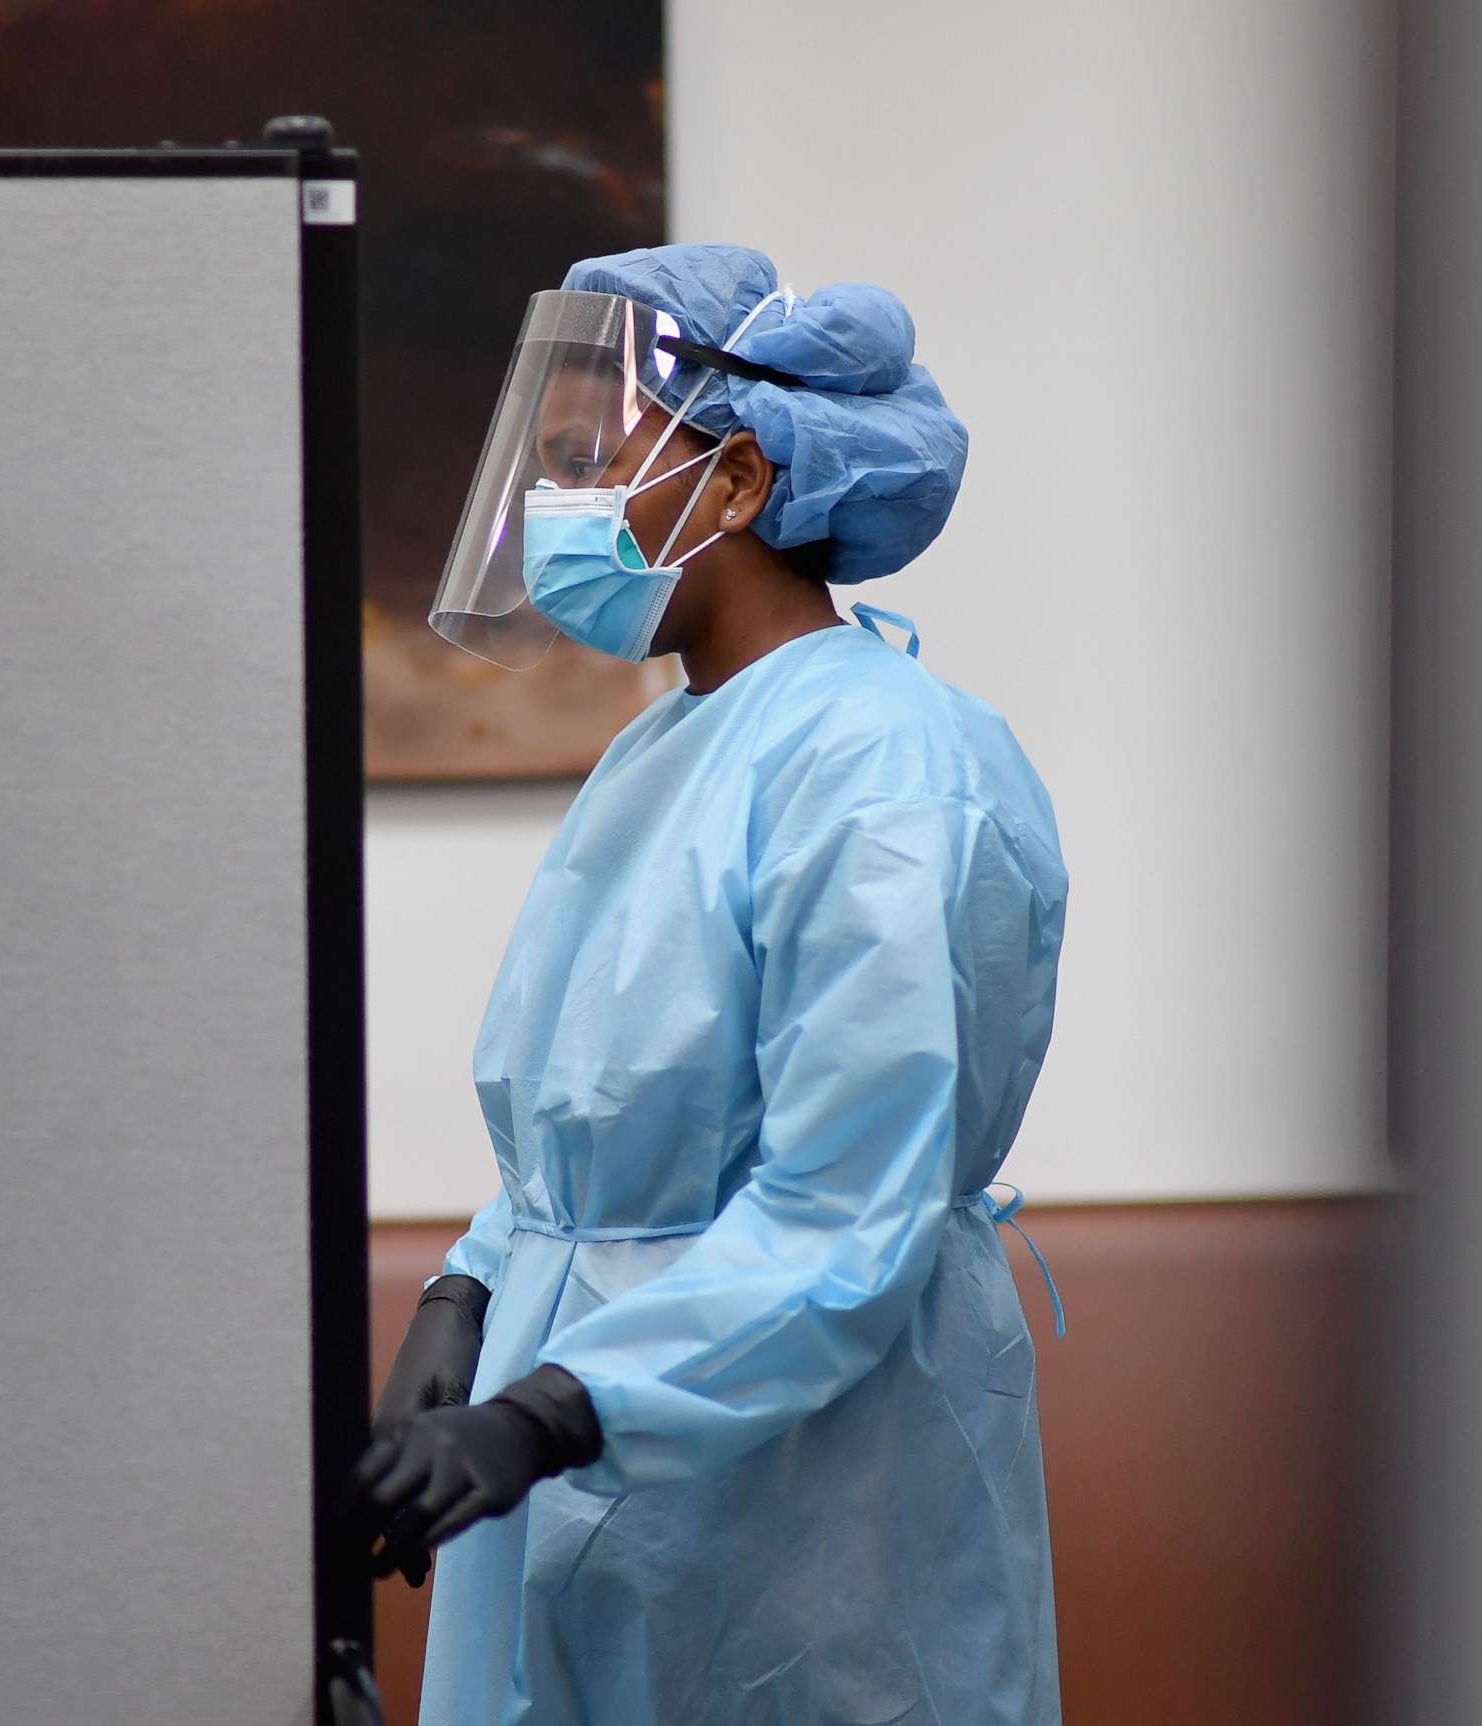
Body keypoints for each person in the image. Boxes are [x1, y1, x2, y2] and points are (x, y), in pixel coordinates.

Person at [344, 244, 1070, 1725]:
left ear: (737, 482)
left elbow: (844, 1209)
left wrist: (555, 1406)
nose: (557, 510)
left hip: (797, 1514)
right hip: (604, 1472)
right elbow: (610, 1114)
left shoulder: (885, 768)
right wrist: (472, 1285)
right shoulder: (671, 748)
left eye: (585, 462)